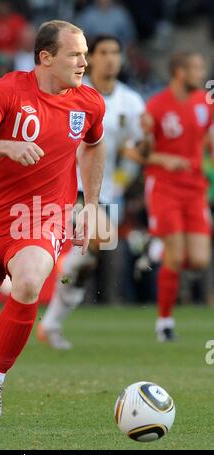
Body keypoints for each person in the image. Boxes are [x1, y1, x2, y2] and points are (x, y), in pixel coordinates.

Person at [0, 20, 106, 440]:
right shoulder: (6, 91)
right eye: (75, 54)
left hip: (42, 215)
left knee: (30, 281)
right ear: (45, 57)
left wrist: (91, 203)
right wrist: (6, 146)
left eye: (85, 53)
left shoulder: (89, 103)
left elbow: (94, 143)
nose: (84, 62)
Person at [37, 35, 145, 349]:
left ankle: (51, 323)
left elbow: (135, 151)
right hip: (71, 188)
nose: (110, 58)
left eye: (115, 52)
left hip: (108, 192)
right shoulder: (72, 93)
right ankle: (59, 267)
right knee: (95, 241)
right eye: (103, 52)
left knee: (85, 263)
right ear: (90, 58)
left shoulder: (130, 101)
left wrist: (127, 175)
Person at [143, 52, 213, 341]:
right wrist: (163, 159)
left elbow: (208, 140)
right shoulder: (156, 106)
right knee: (176, 255)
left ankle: (156, 250)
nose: (202, 73)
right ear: (179, 72)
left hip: (195, 188)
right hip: (164, 186)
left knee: (198, 259)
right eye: (196, 68)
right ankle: (164, 323)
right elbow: (143, 153)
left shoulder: (204, 104)